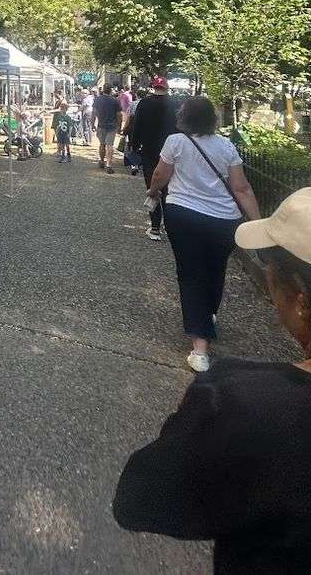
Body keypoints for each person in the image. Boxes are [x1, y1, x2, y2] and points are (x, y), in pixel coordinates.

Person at [114, 187, 311, 574]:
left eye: (269, 265)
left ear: (300, 300)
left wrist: (193, 419)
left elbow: (139, 499)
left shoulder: (243, 405)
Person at [145, 95, 260, 372]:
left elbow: (161, 175)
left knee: (191, 274)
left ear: (185, 117)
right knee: (215, 269)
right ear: (212, 119)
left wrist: (153, 191)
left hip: (184, 215)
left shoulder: (176, 142)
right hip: (224, 220)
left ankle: (200, 348)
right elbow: (242, 188)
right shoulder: (226, 146)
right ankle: (208, 314)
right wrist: (259, 223)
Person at [129, 76, 179, 240]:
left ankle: (155, 227)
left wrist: (134, 146)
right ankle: (170, 226)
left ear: (153, 87)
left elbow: (136, 126)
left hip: (150, 151)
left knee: (153, 187)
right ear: (167, 88)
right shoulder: (175, 104)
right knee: (170, 189)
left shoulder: (144, 103)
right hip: (172, 152)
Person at [93, 84, 121, 173]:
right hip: (112, 126)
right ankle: (108, 165)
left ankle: (102, 161)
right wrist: (119, 126)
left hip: (101, 125)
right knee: (110, 145)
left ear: (103, 90)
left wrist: (92, 123)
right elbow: (119, 115)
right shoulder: (115, 101)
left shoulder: (98, 99)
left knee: (102, 144)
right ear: (110, 91)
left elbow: (94, 112)